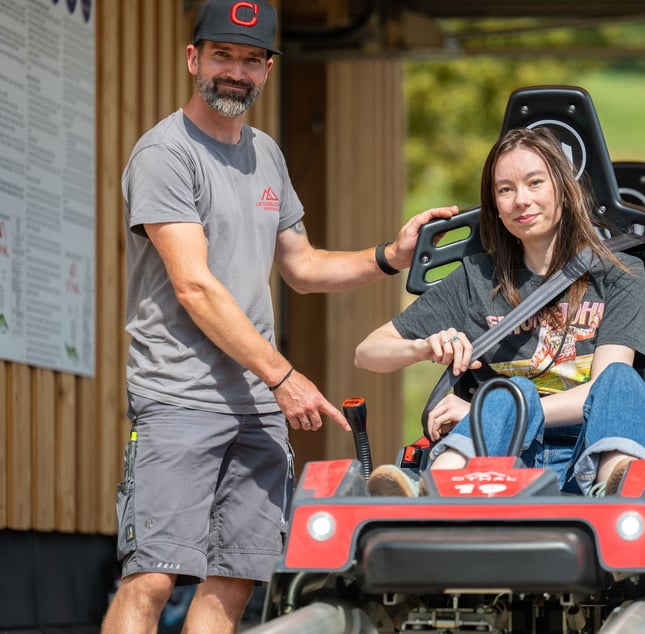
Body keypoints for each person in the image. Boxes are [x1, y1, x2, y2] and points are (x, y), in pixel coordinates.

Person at [101, 1, 458, 632]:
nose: (235, 72)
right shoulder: (165, 154)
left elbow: (303, 266)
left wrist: (390, 256)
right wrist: (282, 376)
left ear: (267, 69)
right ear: (193, 59)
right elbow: (194, 286)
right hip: (180, 398)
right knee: (151, 576)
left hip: (256, 410)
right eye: (222, 56)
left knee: (232, 583)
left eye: (251, 60)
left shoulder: (266, 155)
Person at [354, 126, 645, 498]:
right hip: (504, 458)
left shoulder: (619, 272)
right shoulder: (476, 278)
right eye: (505, 190)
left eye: (534, 183)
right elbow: (367, 352)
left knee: (622, 384)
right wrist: (425, 347)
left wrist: (489, 411)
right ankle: (431, 491)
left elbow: (604, 390)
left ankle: (616, 487)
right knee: (509, 392)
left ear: (563, 189)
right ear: (494, 205)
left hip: (587, 454)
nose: (520, 201)